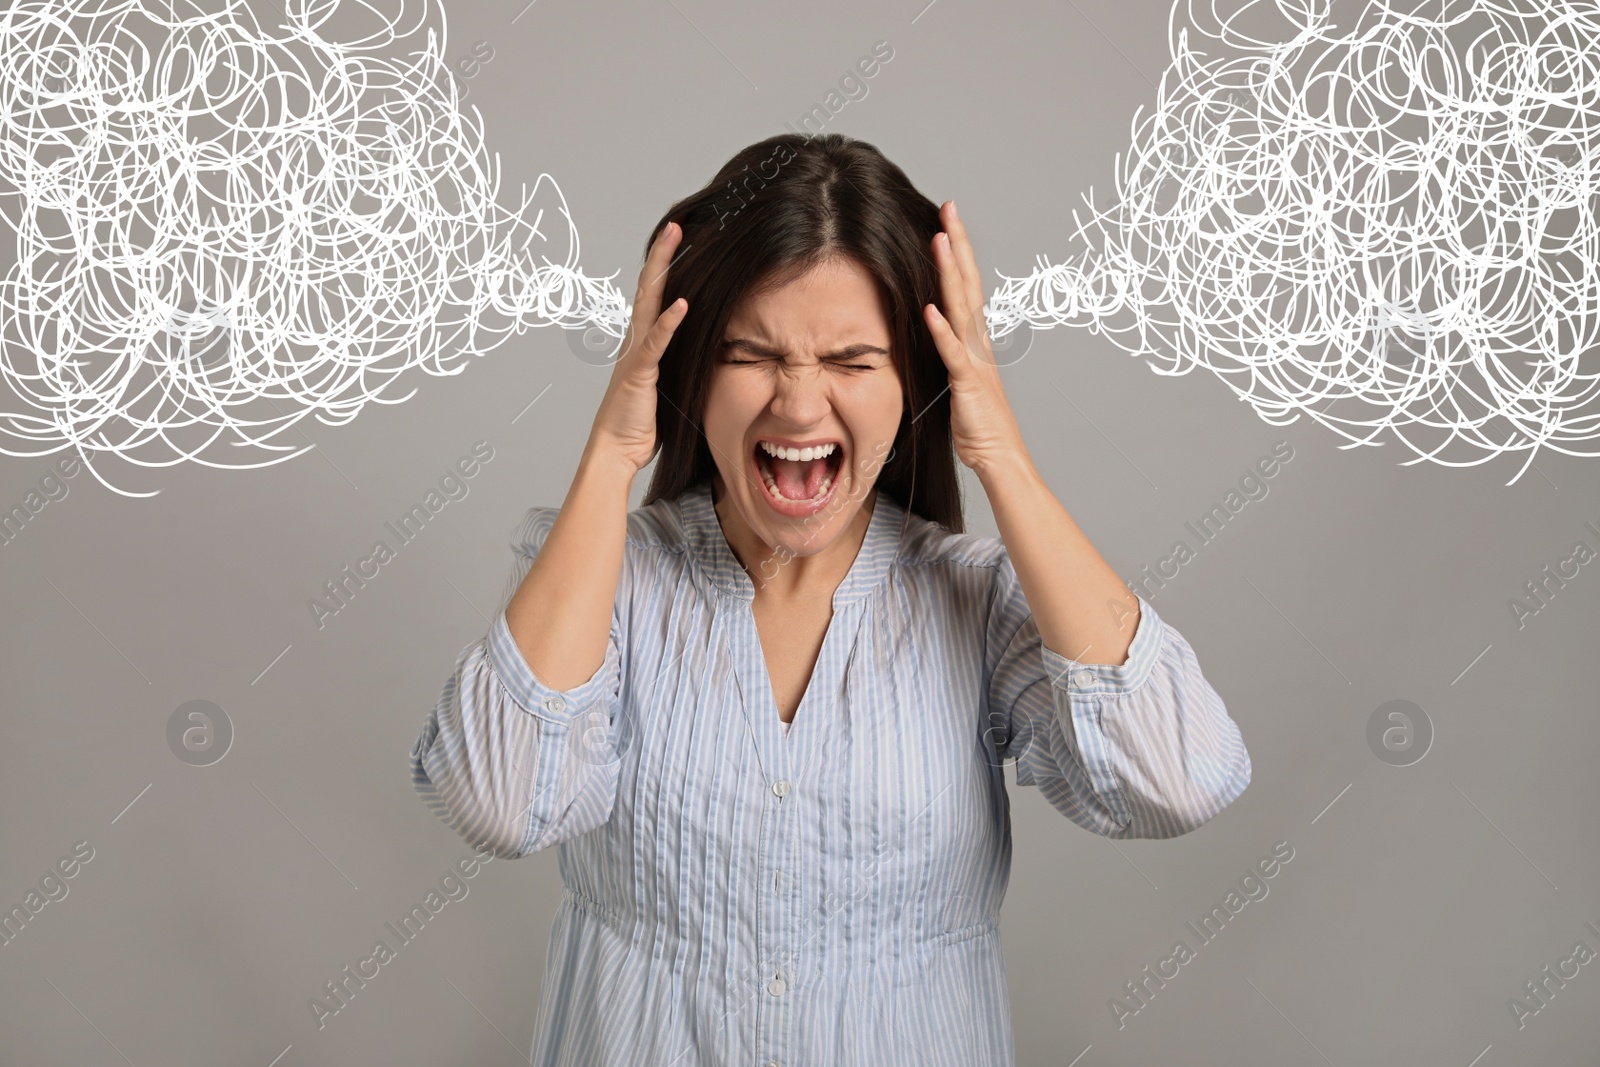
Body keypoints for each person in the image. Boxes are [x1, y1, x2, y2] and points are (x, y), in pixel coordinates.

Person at [409, 132, 1250, 1066]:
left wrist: (1000, 453)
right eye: (751, 354)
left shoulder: (975, 601)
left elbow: (1179, 780)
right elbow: (492, 800)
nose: (801, 408)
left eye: (853, 361)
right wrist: (612, 450)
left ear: (915, 384)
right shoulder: (608, 580)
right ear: (689, 370)